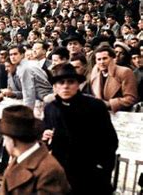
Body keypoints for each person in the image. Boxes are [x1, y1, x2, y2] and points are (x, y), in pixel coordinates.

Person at [43, 63, 119, 195]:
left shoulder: (95, 106)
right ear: (55, 86)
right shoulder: (51, 108)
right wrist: (44, 137)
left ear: (78, 84)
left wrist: (101, 168)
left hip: (90, 174)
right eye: (61, 82)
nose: (66, 86)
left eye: (70, 82)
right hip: (61, 174)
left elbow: (110, 140)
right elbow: (45, 138)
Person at [0, 105, 70, 195]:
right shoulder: (19, 160)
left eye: (5, 138)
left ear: (12, 141)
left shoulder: (49, 172)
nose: (5, 143)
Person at [90, 45, 138, 112]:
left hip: (122, 115)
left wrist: (110, 104)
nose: (102, 62)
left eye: (105, 58)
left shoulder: (124, 72)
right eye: (99, 59)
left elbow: (131, 99)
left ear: (112, 59)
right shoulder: (95, 74)